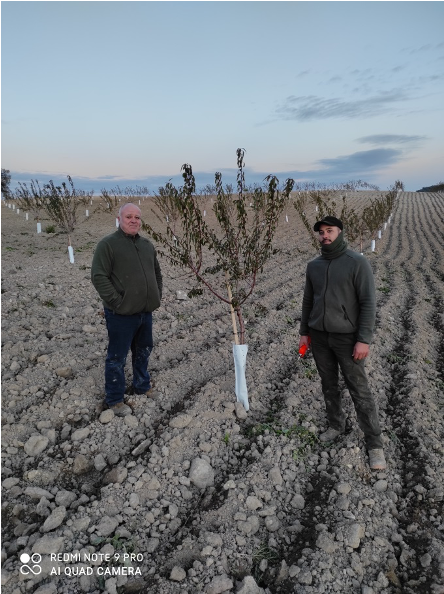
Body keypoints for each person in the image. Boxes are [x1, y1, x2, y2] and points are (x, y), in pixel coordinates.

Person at [299, 216, 386, 470]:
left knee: (359, 389)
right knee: (328, 385)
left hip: (348, 339)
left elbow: (368, 303)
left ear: (340, 232)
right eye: (321, 232)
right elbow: (307, 301)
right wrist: (305, 332)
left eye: (330, 231)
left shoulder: (357, 263)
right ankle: (336, 425)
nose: (325, 235)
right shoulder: (313, 266)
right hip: (320, 337)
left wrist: (363, 340)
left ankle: (374, 443)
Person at [91, 202, 163, 416]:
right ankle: (114, 399)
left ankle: (141, 385)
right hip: (121, 315)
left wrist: (156, 295)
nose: (134, 220)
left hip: (145, 312)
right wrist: (117, 302)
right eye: (129, 216)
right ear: (119, 219)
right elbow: (98, 276)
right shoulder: (108, 244)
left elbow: (157, 273)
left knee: (143, 351)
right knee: (117, 357)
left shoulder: (147, 245)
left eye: (137, 217)